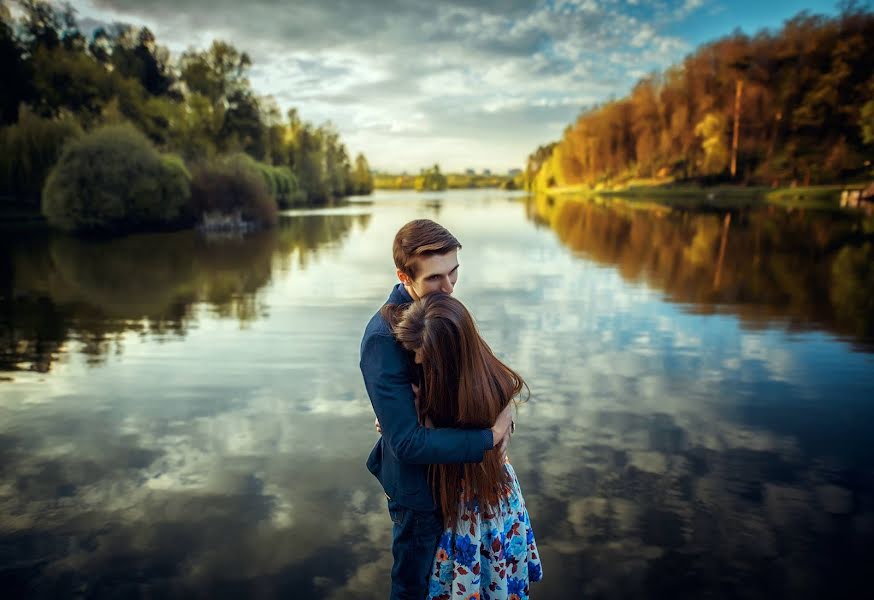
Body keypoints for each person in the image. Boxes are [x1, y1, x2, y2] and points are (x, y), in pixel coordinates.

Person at [360, 219, 515, 599]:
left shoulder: (444, 310)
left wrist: (507, 410)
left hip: (462, 485)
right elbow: (408, 443)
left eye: (454, 273)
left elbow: (490, 376)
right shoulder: (383, 340)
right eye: (434, 279)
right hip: (421, 495)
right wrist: (488, 437)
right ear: (404, 276)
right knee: (414, 588)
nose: (447, 288)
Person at [386, 293, 542, 600]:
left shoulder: (465, 401)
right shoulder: (486, 373)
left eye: (424, 356)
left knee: (467, 586)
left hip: (473, 509)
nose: (417, 361)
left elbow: (431, 445)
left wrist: (415, 419)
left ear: (448, 357)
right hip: (499, 498)